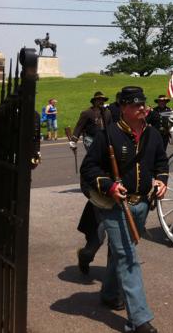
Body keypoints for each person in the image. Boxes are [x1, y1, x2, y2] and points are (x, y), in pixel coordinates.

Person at [80, 86, 168, 333]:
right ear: (123, 108)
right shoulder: (107, 135)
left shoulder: (153, 135)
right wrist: (108, 185)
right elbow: (88, 169)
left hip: (142, 204)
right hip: (116, 206)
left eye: (143, 104)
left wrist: (162, 181)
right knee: (129, 258)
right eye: (136, 105)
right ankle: (139, 320)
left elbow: (161, 162)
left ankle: (109, 293)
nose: (142, 108)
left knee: (120, 254)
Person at [69, 91, 113, 275]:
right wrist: (74, 139)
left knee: (120, 242)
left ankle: (114, 282)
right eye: (98, 100)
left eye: (103, 100)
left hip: (117, 195)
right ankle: (85, 256)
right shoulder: (87, 113)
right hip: (99, 193)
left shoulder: (108, 115)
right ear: (94, 100)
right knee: (98, 236)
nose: (101, 102)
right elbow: (79, 127)